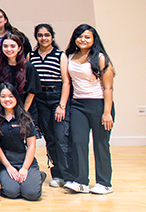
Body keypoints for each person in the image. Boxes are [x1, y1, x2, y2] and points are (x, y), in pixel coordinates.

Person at [59, 23, 115, 195]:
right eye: (80, 36)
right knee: (78, 143)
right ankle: (81, 181)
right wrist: (62, 105)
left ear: (93, 39)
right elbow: (66, 82)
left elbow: (108, 88)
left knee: (100, 144)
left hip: (99, 104)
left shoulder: (100, 58)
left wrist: (107, 112)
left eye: (87, 37)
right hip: (78, 105)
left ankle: (104, 183)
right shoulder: (69, 56)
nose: (83, 39)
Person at [29, 23, 70, 186]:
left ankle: (69, 174)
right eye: (40, 35)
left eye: (47, 35)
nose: (43, 38)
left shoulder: (60, 55)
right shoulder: (30, 56)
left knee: (61, 137)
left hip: (57, 96)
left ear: (52, 36)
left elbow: (66, 82)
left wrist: (62, 105)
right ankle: (57, 174)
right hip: (40, 99)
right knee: (50, 139)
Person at [0, 83, 43, 201]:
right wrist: (8, 167)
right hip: (6, 160)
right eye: (3, 96)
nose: (7, 100)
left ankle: (38, 175)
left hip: (24, 159)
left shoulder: (25, 117)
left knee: (31, 194)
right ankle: (4, 176)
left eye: (11, 96)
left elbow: (31, 145)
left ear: (16, 97)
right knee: (12, 192)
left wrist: (25, 168)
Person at [0, 33, 41, 112]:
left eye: (12, 46)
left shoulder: (28, 67)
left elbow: (31, 93)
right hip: (4, 110)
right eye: (5, 46)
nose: (9, 49)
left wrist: (23, 113)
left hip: (26, 109)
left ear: (19, 48)